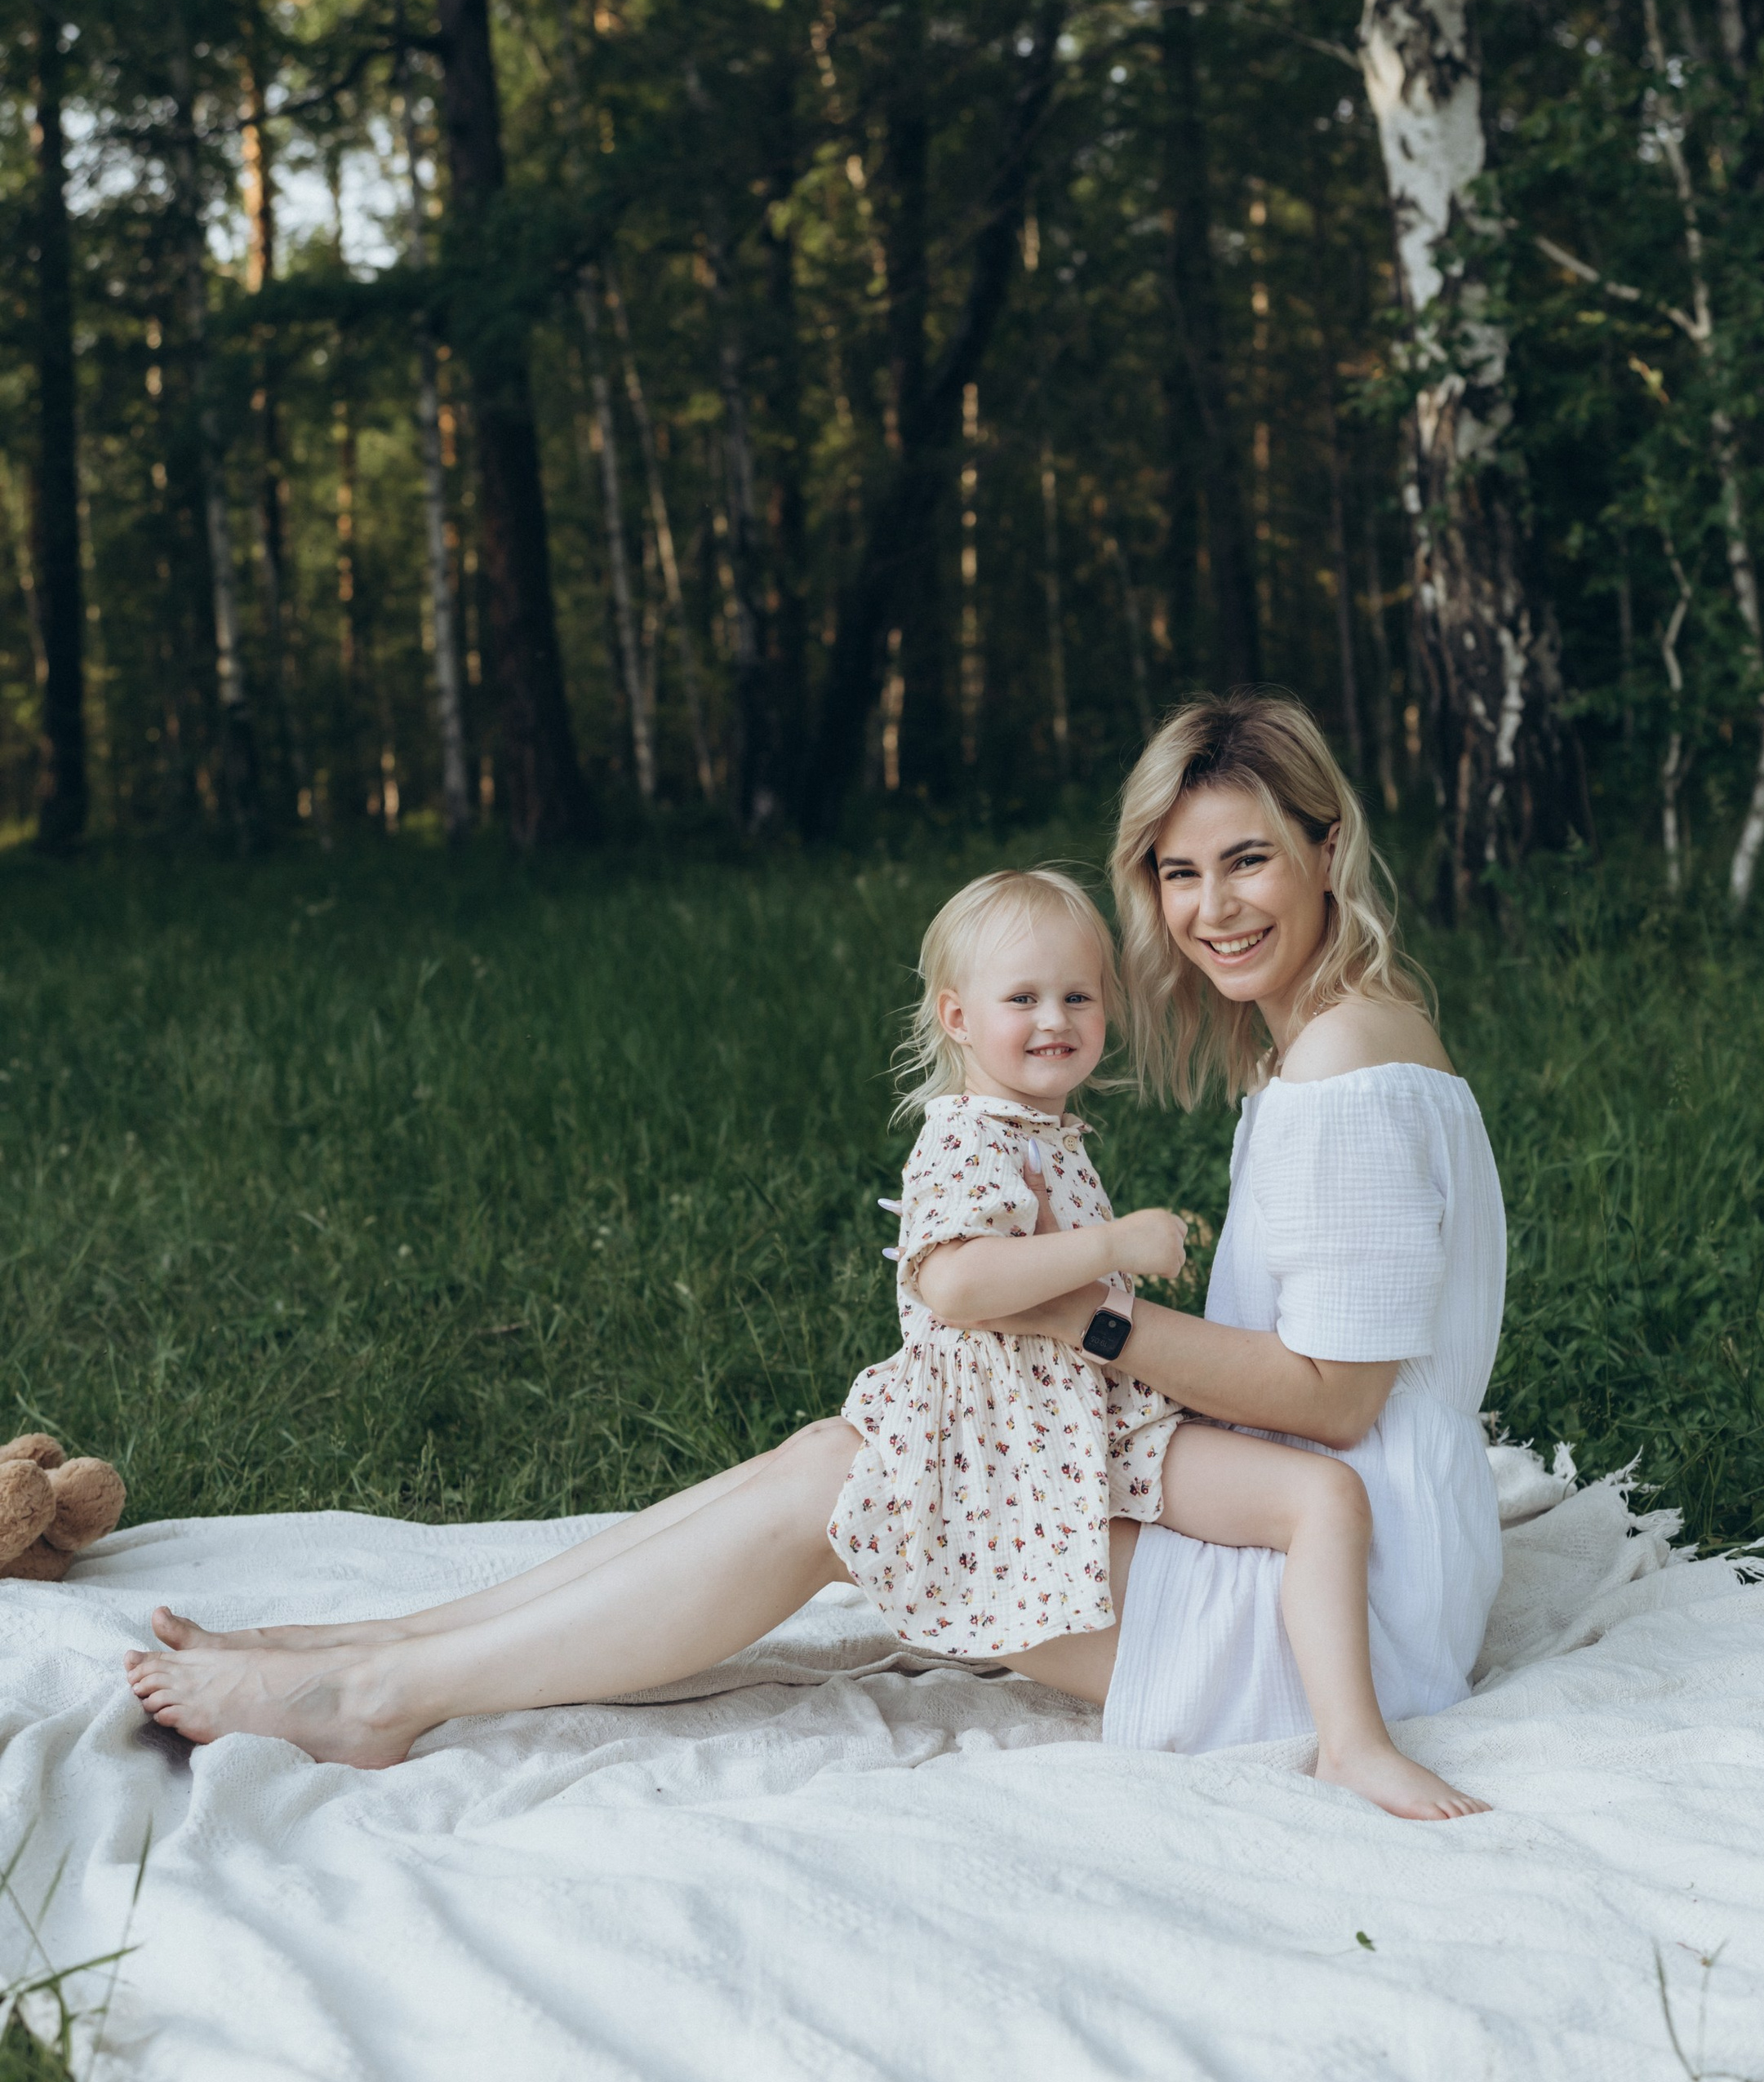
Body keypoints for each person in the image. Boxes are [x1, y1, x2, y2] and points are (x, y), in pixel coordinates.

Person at [125, 693, 1506, 1816]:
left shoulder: (1343, 1077)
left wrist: (1080, 1322)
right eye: (1179, 870)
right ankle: (386, 1649)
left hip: (1340, 1610)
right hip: (1321, 1529)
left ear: (1330, 846)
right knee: (826, 1457)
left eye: (1250, 858)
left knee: (850, 1489)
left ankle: (379, 1695)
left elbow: (1336, 1399)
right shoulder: (1336, 1044)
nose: (1212, 907)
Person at [824, 862, 1482, 1815]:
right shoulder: (968, 1136)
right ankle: (1353, 1738)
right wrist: (1111, 1244)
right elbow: (954, 1280)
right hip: (1016, 1434)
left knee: (1324, 1498)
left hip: (1093, 1421)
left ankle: (1350, 1744)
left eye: (1078, 997)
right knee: (1319, 1496)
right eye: (1023, 998)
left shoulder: (1042, 1131)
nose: (1054, 1020)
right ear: (957, 1017)